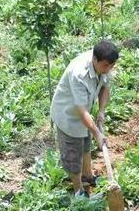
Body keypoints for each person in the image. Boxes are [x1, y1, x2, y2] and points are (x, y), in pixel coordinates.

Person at [51, 40, 119, 196]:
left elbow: (105, 88)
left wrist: (101, 112)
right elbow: (81, 112)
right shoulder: (79, 74)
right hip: (68, 115)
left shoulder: (105, 64)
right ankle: (78, 189)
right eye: (106, 66)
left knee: (86, 144)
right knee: (73, 153)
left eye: (111, 66)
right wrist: (98, 133)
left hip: (84, 112)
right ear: (95, 59)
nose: (108, 69)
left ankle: (88, 176)